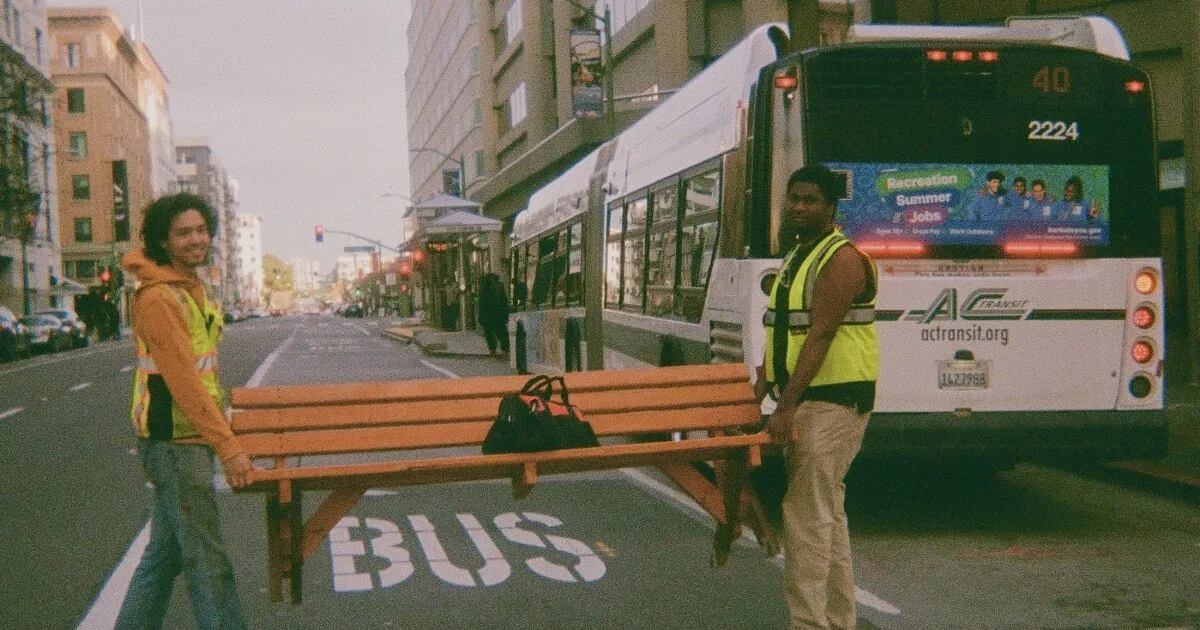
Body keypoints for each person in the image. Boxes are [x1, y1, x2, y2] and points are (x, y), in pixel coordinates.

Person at [115, 193, 256, 630]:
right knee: (206, 559)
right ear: (163, 241)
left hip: (182, 439)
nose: (197, 239)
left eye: (200, 229)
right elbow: (185, 385)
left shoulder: (187, 289)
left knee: (164, 555)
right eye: (183, 233)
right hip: (176, 441)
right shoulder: (160, 298)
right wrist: (229, 447)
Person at [756, 164, 879, 630]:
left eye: (811, 200)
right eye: (794, 199)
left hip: (835, 401)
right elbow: (786, 328)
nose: (800, 207)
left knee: (805, 520)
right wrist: (762, 380)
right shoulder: (799, 255)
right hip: (813, 399)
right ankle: (834, 621)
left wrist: (784, 408)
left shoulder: (842, 259)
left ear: (831, 207)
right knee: (827, 515)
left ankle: (808, 624)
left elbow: (823, 334)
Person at [478, 272, 510, 356]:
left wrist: (481, 316)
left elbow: (481, 303)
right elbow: (504, 301)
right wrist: (505, 314)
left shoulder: (483, 288)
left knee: (490, 334)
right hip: (498, 315)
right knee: (502, 333)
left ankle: (493, 350)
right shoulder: (499, 287)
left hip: (488, 315)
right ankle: (505, 350)